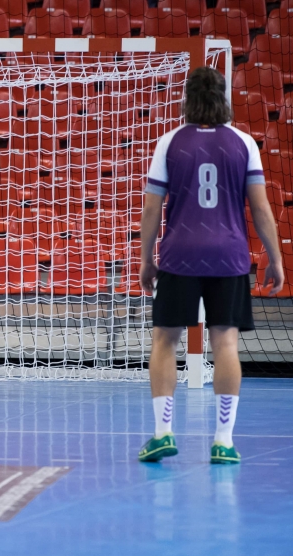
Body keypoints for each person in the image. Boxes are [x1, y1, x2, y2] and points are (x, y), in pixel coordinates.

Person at [137, 66, 285, 464]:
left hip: (180, 256)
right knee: (226, 343)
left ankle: (163, 433)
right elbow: (260, 208)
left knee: (165, 339)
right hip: (230, 256)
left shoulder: (169, 142)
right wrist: (276, 258)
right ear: (224, 99)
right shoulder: (244, 144)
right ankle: (223, 440)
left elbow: (152, 208)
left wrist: (145, 260)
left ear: (187, 99)